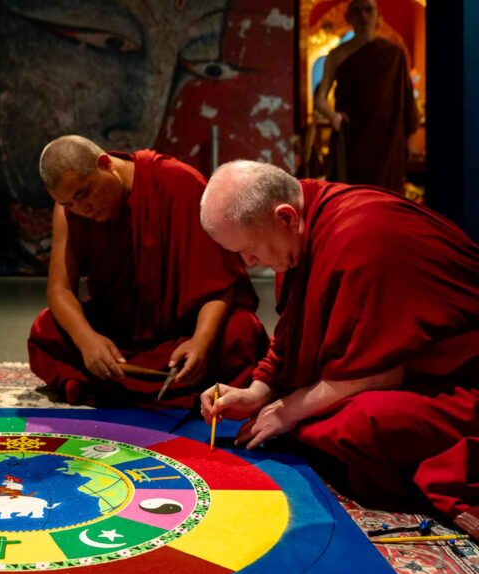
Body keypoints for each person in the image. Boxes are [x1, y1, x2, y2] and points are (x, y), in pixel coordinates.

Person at [199, 160, 479, 531]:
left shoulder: (362, 236)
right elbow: (293, 332)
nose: (249, 263)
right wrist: (257, 392)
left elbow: (381, 370)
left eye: (250, 251)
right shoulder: (304, 222)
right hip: (387, 368)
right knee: (307, 420)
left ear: (285, 217)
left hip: (455, 380)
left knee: (359, 425)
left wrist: (289, 409)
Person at [27, 135, 268, 407]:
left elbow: (221, 281)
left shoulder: (177, 181)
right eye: (68, 203)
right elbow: (60, 289)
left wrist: (201, 341)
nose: (81, 210)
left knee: (242, 332)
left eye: (83, 194)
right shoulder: (68, 212)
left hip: (183, 335)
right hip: (118, 340)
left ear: (105, 164)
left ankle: (121, 388)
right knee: (45, 329)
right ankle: (155, 387)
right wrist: (87, 341)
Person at [314, 0, 418, 192]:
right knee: (353, 198)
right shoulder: (337, 55)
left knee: (386, 199)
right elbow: (320, 99)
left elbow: (406, 100)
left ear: (378, 15)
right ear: (348, 17)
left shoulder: (394, 54)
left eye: (369, 10)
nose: (363, 16)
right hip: (353, 136)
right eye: (357, 11)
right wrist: (333, 117)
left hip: (388, 139)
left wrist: (408, 140)